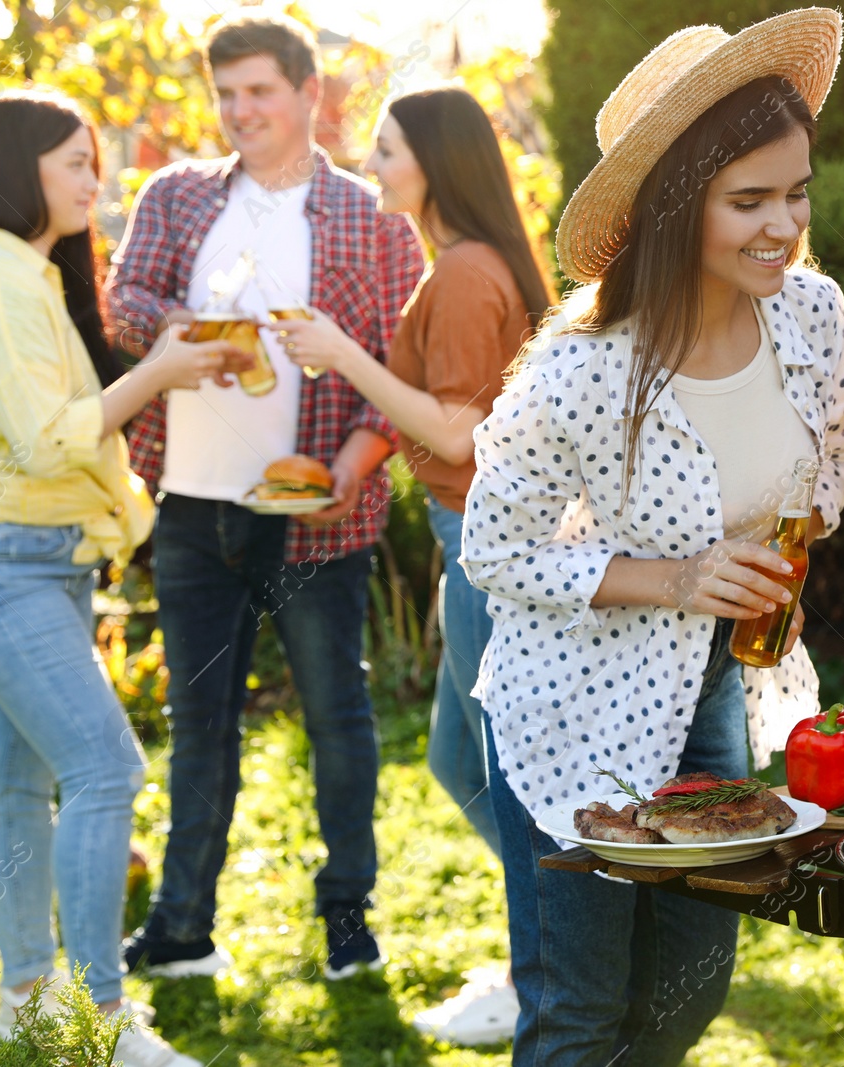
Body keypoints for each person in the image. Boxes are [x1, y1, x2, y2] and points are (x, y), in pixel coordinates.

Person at [460, 9, 844, 1064]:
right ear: (678, 208)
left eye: (796, 191)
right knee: (582, 1008)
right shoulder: (580, 371)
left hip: (710, 690)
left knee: (688, 992)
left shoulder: (810, 314)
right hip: (574, 709)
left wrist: (793, 548)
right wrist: (678, 573)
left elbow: (827, 458)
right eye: (749, 200)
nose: (784, 224)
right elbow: (494, 551)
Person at [0, 89, 255, 1067]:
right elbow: (46, 441)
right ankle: (100, 1021)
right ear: (18, 166)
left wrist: (163, 369)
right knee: (106, 769)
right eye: (76, 160)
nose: (95, 177)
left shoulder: (22, 273)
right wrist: (156, 371)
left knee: (20, 783)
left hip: (36, 560)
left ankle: (29, 998)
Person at [106, 8, 424, 981]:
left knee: (336, 715)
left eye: (259, 92)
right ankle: (182, 924)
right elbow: (124, 303)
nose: (239, 111)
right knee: (201, 721)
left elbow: (400, 370)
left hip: (316, 515)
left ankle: (346, 916)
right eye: (226, 93)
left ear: (308, 95)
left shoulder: (371, 221)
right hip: (195, 506)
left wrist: (351, 472)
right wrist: (188, 335)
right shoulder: (175, 195)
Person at [275, 84, 553, 1045]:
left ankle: (549, 964)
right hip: (463, 539)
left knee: (502, 776)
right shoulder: (460, 266)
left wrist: (340, 351)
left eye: (387, 148)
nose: (373, 164)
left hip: (486, 541)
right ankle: (556, 937)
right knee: (456, 759)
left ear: (434, 160)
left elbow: (457, 429)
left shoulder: (469, 273)